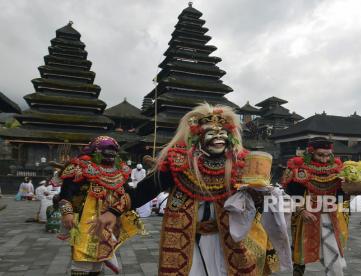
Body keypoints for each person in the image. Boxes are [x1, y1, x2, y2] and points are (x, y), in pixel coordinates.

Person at [92, 104, 287, 276]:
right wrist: (113, 210)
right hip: (187, 238)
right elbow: (145, 190)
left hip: (230, 238)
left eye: (222, 132)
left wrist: (263, 195)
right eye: (211, 132)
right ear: (197, 137)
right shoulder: (178, 162)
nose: (218, 137)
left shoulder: (242, 163)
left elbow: (259, 203)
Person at [281, 137, 361, 276]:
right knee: (300, 256)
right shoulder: (298, 170)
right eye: (320, 155)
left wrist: (355, 188)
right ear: (311, 152)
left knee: (334, 256)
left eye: (327, 155)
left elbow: (340, 196)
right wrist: (302, 211)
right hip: (307, 218)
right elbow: (290, 196)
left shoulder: (338, 170)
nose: (324, 159)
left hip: (330, 218)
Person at [59, 136, 142, 275]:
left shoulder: (119, 169)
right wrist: (67, 212)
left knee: (99, 257)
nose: (111, 154)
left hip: (109, 218)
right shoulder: (81, 166)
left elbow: (128, 192)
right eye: (107, 150)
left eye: (113, 150)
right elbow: (66, 192)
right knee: (82, 256)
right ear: (95, 150)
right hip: (85, 219)